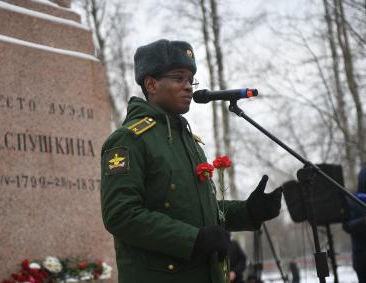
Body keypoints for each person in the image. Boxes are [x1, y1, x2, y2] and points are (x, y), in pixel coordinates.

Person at [100, 39, 283, 283]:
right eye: (179, 78)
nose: (188, 87)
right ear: (151, 84)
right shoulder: (129, 140)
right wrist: (192, 240)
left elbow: (197, 212)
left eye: (190, 79)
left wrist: (248, 212)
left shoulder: (188, 140)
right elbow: (120, 214)